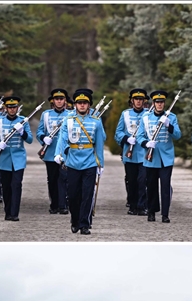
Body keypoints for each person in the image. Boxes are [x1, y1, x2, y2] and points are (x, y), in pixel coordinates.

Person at [54, 88, 106, 235]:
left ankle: (84, 224)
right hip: (72, 161)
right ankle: (75, 220)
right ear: (75, 104)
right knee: (72, 195)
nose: (82, 105)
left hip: (89, 161)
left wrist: (100, 163)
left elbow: (100, 143)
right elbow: (62, 138)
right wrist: (58, 154)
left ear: (89, 105)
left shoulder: (96, 121)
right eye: (79, 103)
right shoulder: (68, 120)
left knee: (87, 194)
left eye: (85, 103)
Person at [137, 90, 181, 223]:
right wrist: (146, 143)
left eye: (162, 102)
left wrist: (169, 125)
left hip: (166, 158)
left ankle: (165, 214)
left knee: (165, 186)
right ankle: (151, 212)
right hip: (151, 157)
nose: (159, 104)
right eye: (157, 102)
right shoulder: (146, 117)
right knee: (151, 186)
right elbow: (140, 136)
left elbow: (178, 135)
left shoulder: (171, 117)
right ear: (153, 103)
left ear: (164, 103)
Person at [0, 96, 33, 221]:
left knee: (16, 185)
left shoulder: (23, 121)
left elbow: (29, 139)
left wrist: (22, 132)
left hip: (18, 159)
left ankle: (14, 213)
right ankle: (8, 211)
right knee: (6, 186)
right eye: (10, 107)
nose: (12, 109)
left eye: (14, 107)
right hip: (4, 159)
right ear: (6, 108)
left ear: (17, 108)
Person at [116, 88, 149, 216]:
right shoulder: (125, 114)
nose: (139, 102)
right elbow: (118, 132)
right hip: (129, 154)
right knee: (132, 180)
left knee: (143, 180)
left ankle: (142, 206)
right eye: (136, 99)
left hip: (145, 153)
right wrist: (126, 138)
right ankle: (133, 205)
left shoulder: (148, 114)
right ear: (132, 101)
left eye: (141, 99)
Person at [37, 88, 71, 215]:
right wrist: (43, 138)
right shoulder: (45, 114)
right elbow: (40, 131)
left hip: (64, 152)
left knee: (64, 179)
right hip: (50, 152)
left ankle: (63, 205)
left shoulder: (71, 114)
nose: (59, 101)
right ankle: (54, 204)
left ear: (65, 101)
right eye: (57, 99)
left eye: (61, 99)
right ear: (53, 101)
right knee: (52, 179)